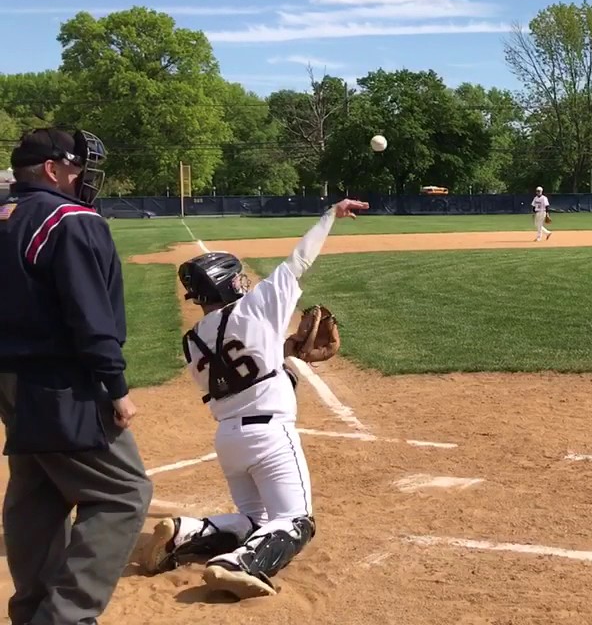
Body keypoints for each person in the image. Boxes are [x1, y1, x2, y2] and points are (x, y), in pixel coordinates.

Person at [137, 198, 368, 600]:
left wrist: (285, 351)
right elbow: (299, 260)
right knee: (296, 521)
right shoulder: (255, 308)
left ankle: (185, 533)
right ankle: (237, 564)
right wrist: (331, 215)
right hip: (270, 437)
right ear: (229, 283)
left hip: (228, 440)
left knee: (255, 520)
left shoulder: (192, 342)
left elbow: (239, 374)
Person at [0, 127, 153, 625]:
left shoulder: (5, 214)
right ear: (52, 169)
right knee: (124, 492)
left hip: (12, 381)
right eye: (74, 167)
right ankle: (64, 617)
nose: (80, 176)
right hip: (60, 384)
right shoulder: (71, 219)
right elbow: (91, 316)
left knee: (38, 491)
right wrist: (116, 386)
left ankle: (31, 612)